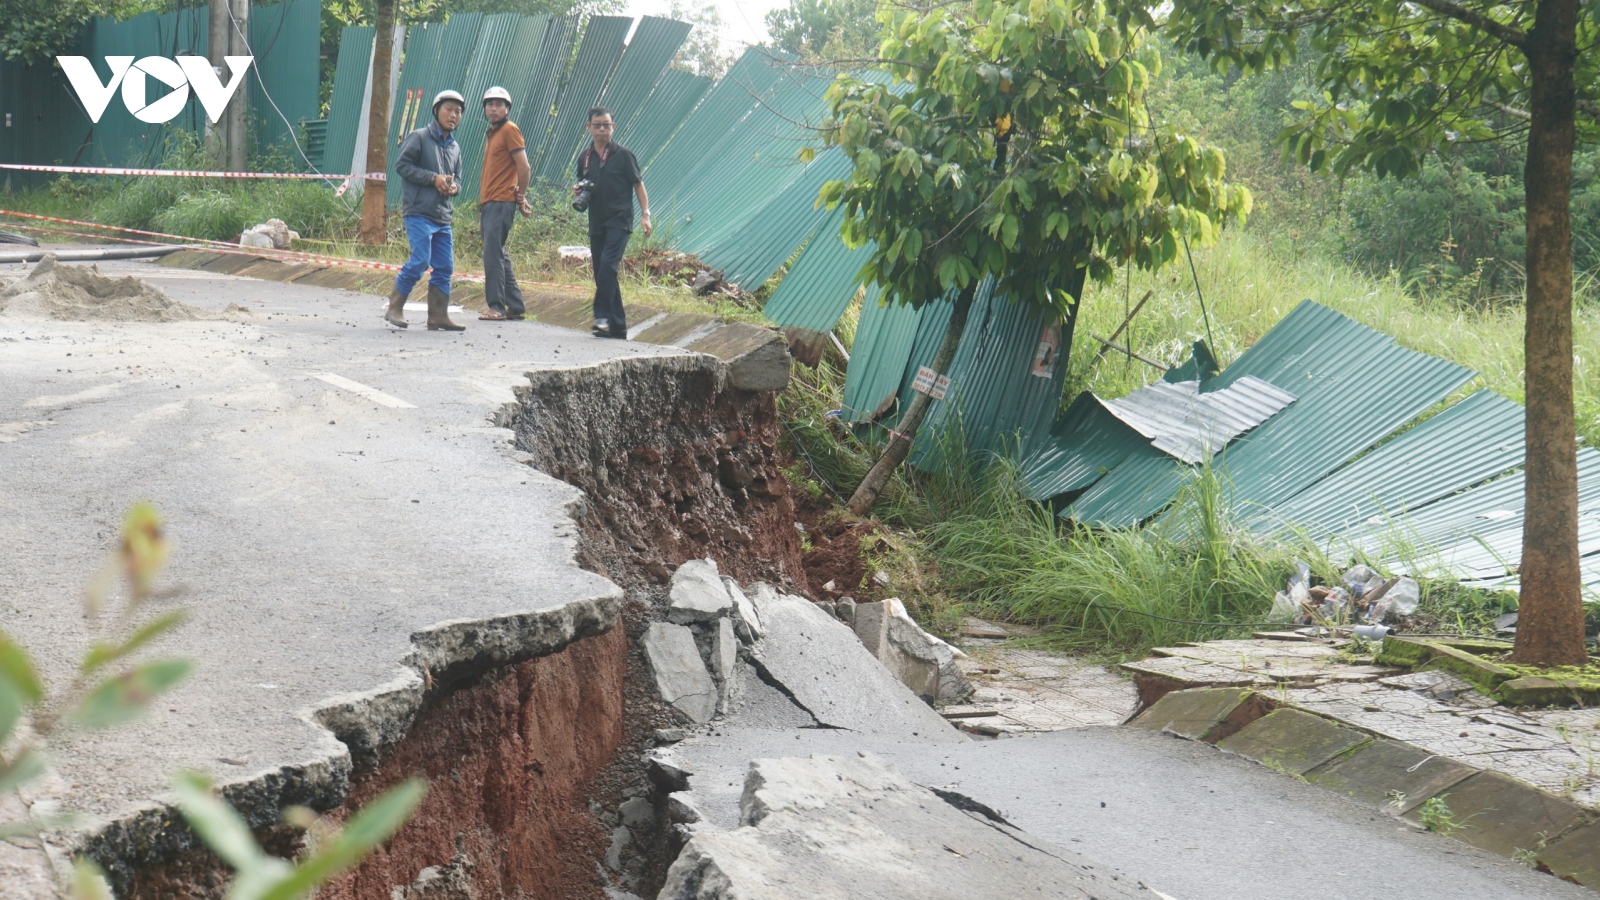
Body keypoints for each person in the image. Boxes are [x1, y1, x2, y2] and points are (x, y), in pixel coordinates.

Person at [385, 89, 466, 331]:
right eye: (449, 109)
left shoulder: (455, 148)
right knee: (421, 259)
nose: (453, 115)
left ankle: (438, 316)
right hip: (418, 212)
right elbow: (402, 165)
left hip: (443, 216)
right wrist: (433, 179)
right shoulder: (419, 137)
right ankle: (395, 307)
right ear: (436, 111)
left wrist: (453, 188)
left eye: (458, 112)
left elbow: (459, 180)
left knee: (444, 267)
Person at [575, 106, 651, 339]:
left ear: (613, 127)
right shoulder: (584, 158)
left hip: (619, 220)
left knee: (608, 266)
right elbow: (581, 183)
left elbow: (638, 184)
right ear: (589, 127)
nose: (602, 129)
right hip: (596, 221)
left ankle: (602, 316)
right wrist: (578, 189)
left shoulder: (624, 155)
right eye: (597, 125)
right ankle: (618, 327)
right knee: (602, 271)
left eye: (606, 125)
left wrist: (645, 214)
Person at [477, 86, 532, 322]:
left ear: (507, 109)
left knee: (492, 254)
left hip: (501, 201)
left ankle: (497, 307)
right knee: (498, 252)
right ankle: (516, 305)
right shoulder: (492, 133)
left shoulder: (510, 129)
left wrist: (520, 194)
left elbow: (524, 166)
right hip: (491, 200)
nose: (493, 108)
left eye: (499, 105)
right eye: (490, 104)